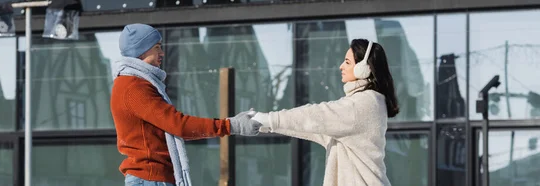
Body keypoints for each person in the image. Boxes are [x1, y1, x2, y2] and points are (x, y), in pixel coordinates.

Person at [110, 23, 261, 186]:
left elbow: (172, 129)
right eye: (157, 47)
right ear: (141, 50)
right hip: (150, 179)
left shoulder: (134, 83)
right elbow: (178, 125)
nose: (162, 53)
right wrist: (230, 125)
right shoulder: (134, 87)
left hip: (153, 178)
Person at [253, 39, 399, 186]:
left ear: (363, 68)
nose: (341, 66)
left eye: (347, 62)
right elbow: (306, 124)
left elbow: (316, 116)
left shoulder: (363, 104)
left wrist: (263, 119)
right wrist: (262, 124)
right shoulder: (365, 103)